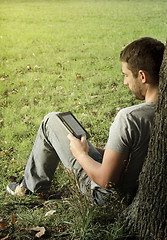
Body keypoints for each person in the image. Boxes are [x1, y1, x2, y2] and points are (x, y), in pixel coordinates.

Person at [7, 37, 165, 205]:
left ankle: (29, 189)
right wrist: (97, 151)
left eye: (126, 75)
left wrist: (81, 154)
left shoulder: (130, 118)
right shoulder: (158, 114)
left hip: (106, 197)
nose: (125, 82)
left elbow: (106, 180)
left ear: (142, 76)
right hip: (135, 189)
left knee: (51, 121)